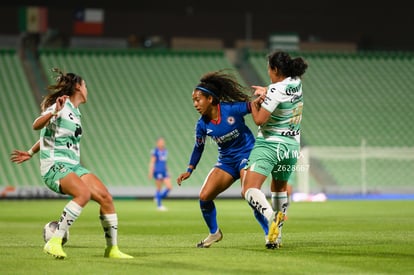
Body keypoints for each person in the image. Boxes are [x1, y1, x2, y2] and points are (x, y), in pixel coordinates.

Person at [11, 68, 133, 259]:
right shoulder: (61, 105)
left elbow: (51, 135)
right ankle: (54, 242)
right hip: (54, 165)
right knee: (83, 193)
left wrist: (30, 152)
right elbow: (37, 125)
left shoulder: (75, 112)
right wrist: (54, 112)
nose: (87, 89)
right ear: (78, 86)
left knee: (105, 197)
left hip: (73, 165)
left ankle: (112, 249)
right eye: (85, 85)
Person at [176, 70, 261, 248]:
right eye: (193, 100)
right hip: (227, 162)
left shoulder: (231, 109)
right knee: (204, 197)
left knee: (248, 193)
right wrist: (189, 169)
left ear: (211, 99)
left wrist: (264, 97)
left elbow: (252, 106)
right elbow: (199, 147)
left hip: (247, 154)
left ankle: (271, 233)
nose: (195, 104)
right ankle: (214, 233)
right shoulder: (202, 125)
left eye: (198, 99)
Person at [241, 51, 308, 249]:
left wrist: (254, 105)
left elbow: (259, 119)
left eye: (269, 69)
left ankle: (272, 217)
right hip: (291, 146)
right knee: (279, 188)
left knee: (249, 189)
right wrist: (267, 90)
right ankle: (275, 238)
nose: (268, 73)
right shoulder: (296, 82)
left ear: (275, 69)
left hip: (270, 143)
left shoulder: (275, 90)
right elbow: (280, 91)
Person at [148, 137, 172, 211]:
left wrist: (168, 170)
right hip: (157, 171)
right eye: (161, 142)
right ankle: (159, 206)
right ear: (157, 143)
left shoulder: (165, 151)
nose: (162, 143)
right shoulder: (155, 151)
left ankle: (158, 197)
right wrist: (150, 172)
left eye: (163, 142)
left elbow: (164, 162)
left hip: (164, 172)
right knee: (159, 188)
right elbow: (152, 162)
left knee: (169, 187)